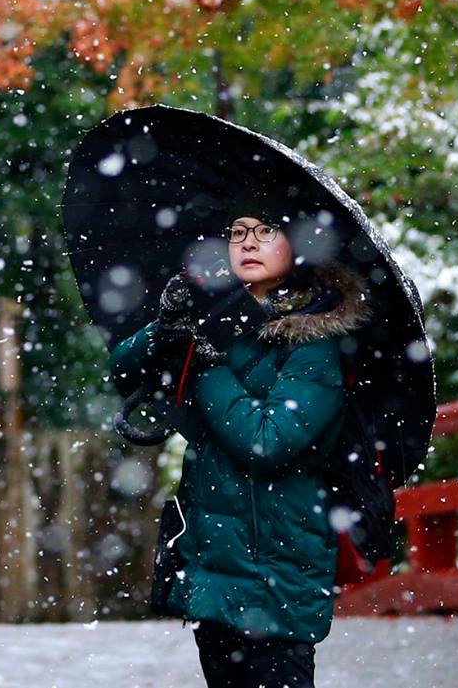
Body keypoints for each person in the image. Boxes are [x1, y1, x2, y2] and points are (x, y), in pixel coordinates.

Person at [108, 214, 371, 688]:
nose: (248, 243)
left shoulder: (316, 341)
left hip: (278, 568)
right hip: (214, 563)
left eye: (266, 230)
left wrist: (207, 367)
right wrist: (165, 332)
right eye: (237, 232)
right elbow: (123, 371)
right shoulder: (214, 313)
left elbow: (266, 441)